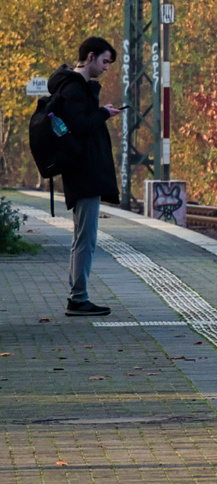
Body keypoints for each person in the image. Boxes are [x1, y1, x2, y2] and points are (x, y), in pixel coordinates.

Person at [46, 37, 122, 317]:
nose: (106, 68)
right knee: (85, 238)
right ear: (90, 57)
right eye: (104, 61)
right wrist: (102, 112)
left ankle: (78, 295)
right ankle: (78, 297)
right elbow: (79, 125)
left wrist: (101, 110)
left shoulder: (75, 87)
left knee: (83, 236)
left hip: (82, 172)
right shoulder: (74, 89)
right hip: (84, 173)